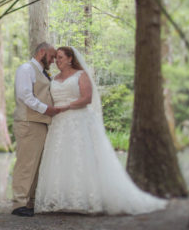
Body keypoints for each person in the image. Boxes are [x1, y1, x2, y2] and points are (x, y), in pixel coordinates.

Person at [35, 46, 168, 215]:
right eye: (57, 58)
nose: (57, 60)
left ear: (70, 58)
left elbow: (87, 98)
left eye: (61, 57)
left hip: (78, 120)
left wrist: (67, 106)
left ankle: (86, 199)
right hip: (59, 123)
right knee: (61, 158)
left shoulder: (80, 75)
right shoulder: (53, 79)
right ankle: (62, 198)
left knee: (81, 158)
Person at [11, 42, 61, 217]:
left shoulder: (41, 72)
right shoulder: (26, 69)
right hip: (28, 122)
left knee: (36, 164)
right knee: (26, 163)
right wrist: (46, 109)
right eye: (52, 56)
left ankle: (29, 201)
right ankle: (19, 203)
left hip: (39, 123)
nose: (54, 60)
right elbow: (24, 95)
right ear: (42, 52)